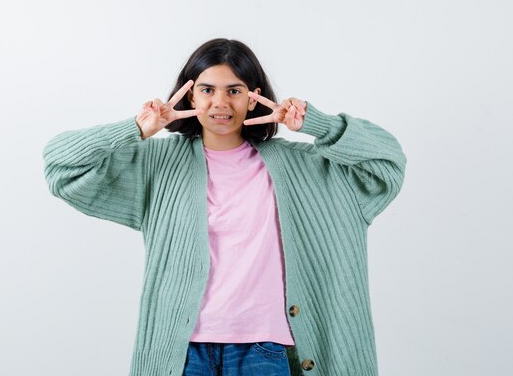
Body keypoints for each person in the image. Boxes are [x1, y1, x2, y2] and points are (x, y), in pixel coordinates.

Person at [42, 38, 407, 376]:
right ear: (190, 97)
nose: (220, 103)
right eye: (207, 90)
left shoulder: (304, 167)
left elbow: (386, 165)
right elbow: (61, 166)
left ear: (253, 97)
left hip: (265, 350)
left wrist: (319, 125)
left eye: (234, 90)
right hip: (183, 352)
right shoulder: (157, 164)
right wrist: (136, 128)